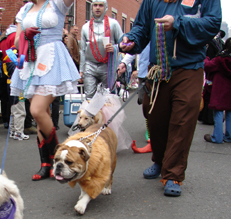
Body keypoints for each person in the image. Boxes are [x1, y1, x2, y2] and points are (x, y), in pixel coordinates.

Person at [120, 0, 222, 197]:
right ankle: (160, 160)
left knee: (182, 120)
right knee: (154, 115)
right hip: (158, 69)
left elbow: (212, 23)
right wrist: (131, 39)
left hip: (189, 67)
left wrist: (179, 23)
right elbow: (142, 26)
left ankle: (173, 174)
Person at [10, 0, 80, 181]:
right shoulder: (24, 9)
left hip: (52, 60)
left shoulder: (57, 3)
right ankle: (46, 164)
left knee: (37, 110)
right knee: (42, 116)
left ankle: (58, 157)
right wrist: (25, 34)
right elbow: (17, 41)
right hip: (31, 62)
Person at [79, 0, 123, 100]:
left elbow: (123, 43)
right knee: (89, 97)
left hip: (107, 66)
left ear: (105, 7)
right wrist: (81, 70)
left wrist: (115, 47)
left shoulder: (113, 24)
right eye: (95, 5)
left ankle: (109, 116)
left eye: (100, 5)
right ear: (92, 7)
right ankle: (90, 115)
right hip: (90, 65)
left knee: (108, 97)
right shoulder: (85, 27)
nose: (97, 8)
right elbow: (82, 51)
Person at [0, 21, 29, 141]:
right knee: (20, 111)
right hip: (17, 85)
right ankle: (18, 132)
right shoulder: (17, 57)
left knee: (14, 110)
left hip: (10, 84)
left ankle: (13, 131)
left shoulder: (9, 54)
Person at [203, 37, 231, 144]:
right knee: (229, 112)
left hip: (220, 90)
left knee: (218, 112)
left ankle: (217, 137)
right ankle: (229, 136)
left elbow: (207, 66)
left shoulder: (220, 59)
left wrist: (206, 58)